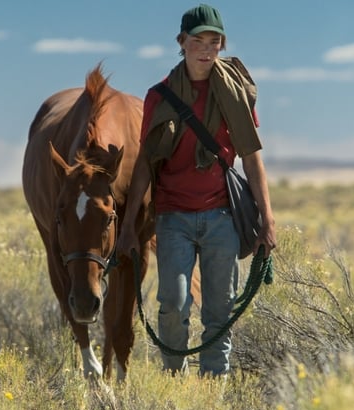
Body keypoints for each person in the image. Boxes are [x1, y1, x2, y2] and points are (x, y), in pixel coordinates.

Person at [117, 3, 277, 377]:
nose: (206, 50)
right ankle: (175, 379)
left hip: (222, 216)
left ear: (222, 44)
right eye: (197, 41)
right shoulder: (159, 96)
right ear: (181, 42)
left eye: (214, 42)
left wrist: (268, 220)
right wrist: (128, 227)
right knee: (173, 304)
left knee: (220, 310)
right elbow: (145, 164)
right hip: (173, 217)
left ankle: (212, 389)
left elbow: (252, 158)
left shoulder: (234, 92)